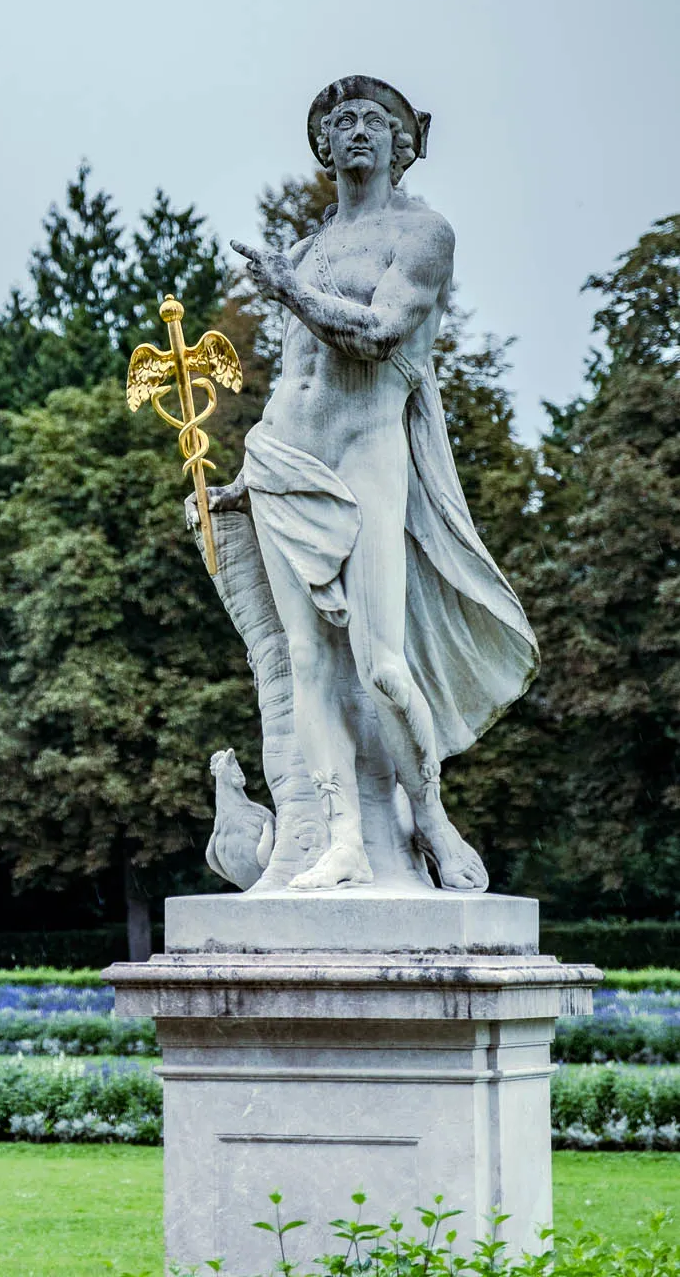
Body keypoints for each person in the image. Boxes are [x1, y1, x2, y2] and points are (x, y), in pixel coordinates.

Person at [218, 75, 537, 892]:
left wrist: (286, 290)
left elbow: (378, 334)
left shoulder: (422, 233)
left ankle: (426, 814)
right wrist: (247, 482)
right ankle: (341, 838)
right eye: (341, 120)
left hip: (365, 458)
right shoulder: (309, 246)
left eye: (375, 119)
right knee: (302, 662)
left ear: (405, 142)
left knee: (380, 666)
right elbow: (293, 374)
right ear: (323, 146)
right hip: (283, 459)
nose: (356, 129)